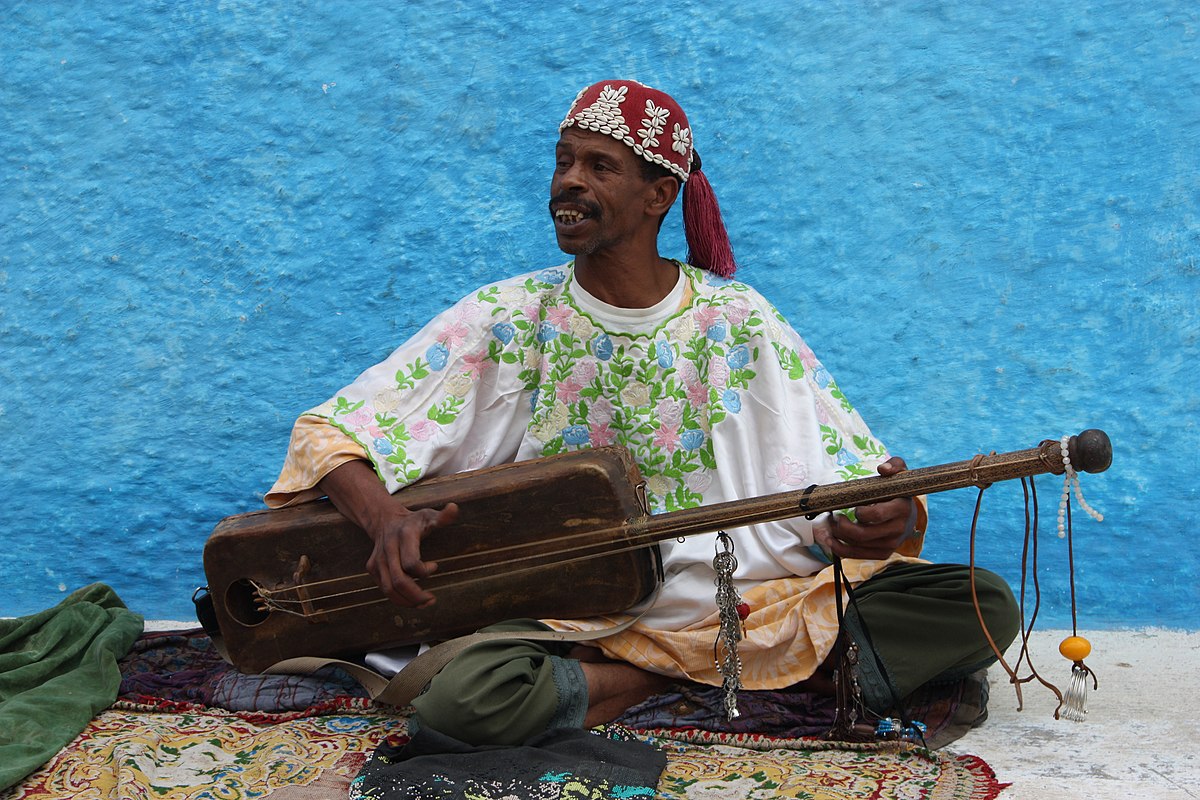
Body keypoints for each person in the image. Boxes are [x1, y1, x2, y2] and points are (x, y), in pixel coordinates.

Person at [266, 79, 1020, 747]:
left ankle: (660, 676)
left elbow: (857, 491)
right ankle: (712, 678)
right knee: (467, 703)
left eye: (599, 167)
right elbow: (330, 432)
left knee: (980, 605)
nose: (569, 183)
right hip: (577, 623)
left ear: (660, 195)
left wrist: (886, 516)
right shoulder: (508, 315)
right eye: (563, 161)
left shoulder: (739, 321)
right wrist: (384, 521)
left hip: (747, 601)